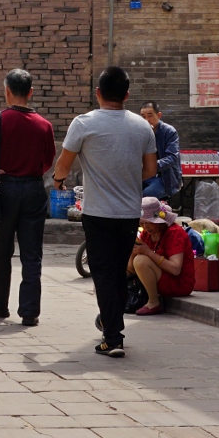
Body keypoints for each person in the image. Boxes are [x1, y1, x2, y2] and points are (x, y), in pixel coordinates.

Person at [53, 66, 157, 357]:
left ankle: (113, 338)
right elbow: (150, 170)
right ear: (127, 95)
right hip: (129, 213)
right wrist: (126, 177)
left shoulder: (83, 123)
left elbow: (63, 164)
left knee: (103, 274)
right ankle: (110, 323)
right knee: (118, 270)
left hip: (98, 213)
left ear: (97, 93)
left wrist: (58, 180)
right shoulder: (142, 126)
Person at [0, 68, 56, 325]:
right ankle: (29, 312)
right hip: (34, 190)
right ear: (31, 92)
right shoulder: (44, 125)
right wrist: (31, 171)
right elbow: (48, 160)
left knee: (2, 250)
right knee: (32, 254)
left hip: (4, 190)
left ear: (7, 91)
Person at [129, 197, 194, 315]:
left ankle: (154, 302)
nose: (145, 227)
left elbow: (175, 269)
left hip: (179, 283)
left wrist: (148, 252)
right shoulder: (147, 234)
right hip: (161, 276)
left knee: (141, 261)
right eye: (142, 223)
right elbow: (131, 268)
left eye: (148, 223)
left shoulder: (175, 233)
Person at [138, 102, 182, 201]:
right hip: (145, 175)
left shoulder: (169, 131)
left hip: (165, 177)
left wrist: (150, 166)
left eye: (150, 115)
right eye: (143, 117)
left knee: (147, 194)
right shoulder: (140, 132)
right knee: (127, 191)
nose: (146, 120)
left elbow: (172, 157)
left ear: (159, 115)